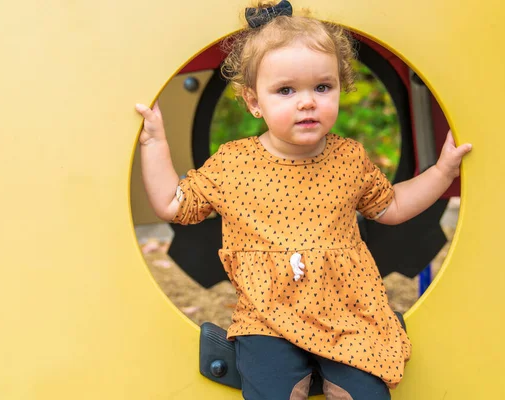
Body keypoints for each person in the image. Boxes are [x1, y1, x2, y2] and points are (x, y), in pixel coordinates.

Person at [136, 1, 472, 398]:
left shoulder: (348, 158)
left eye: (322, 87)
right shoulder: (234, 163)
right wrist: (155, 141)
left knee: (367, 392)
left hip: (347, 313)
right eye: (286, 90)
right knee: (271, 388)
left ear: (340, 88)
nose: (307, 101)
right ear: (254, 101)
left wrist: (442, 172)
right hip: (268, 318)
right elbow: (173, 204)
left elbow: (393, 206)